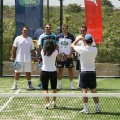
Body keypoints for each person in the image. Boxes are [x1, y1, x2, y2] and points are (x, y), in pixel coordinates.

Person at [71, 34, 100, 114]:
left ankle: (86, 109)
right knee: (94, 90)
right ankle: (97, 108)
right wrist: (85, 40)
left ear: (85, 41)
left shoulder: (82, 49)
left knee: (84, 91)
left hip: (84, 72)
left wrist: (78, 39)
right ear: (92, 41)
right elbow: (92, 44)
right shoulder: (95, 50)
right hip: (92, 72)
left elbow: (72, 45)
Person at [37, 23, 57, 89]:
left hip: (52, 55)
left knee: (52, 70)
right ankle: (41, 83)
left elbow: (56, 45)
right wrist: (39, 56)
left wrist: (56, 54)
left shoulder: (54, 35)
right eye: (47, 27)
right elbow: (39, 46)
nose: (48, 28)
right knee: (43, 70)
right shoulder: (41, 36)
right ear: (44, 28)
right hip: (44, 55)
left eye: (49, 27)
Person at [40, 40, 58, 109]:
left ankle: (47, 103)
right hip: (53, 71)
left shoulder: (42, 51)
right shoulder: (56, 52)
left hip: (44, 71)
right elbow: (59, 58)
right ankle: (54, 102)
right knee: (54, 87)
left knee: (45, 88)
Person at [56, 24, 75, 90]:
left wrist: (70, 54)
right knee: (60, 70)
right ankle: (59, 84)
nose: (64, 29)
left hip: (69, 57)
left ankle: (71, 85)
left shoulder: (71, 37)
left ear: (67, 29)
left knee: (70, 70)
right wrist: (58, 54)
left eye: (65, 28)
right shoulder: (58, 36)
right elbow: (57, 46)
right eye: (63, 28)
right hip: (60, 57)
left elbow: (73, 46)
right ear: (61, 29)